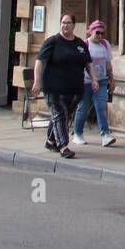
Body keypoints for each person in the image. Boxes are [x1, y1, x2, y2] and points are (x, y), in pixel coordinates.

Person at [32, 13, 97, 159]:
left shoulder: (80, 44)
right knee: (60, 114)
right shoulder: (53, 42)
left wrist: (94, 79)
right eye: (63, 22)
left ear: (74, 25)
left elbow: (88, 63)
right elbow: (40, 61)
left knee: (62, 116)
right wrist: (37, 81)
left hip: (74, 89)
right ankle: (63, 146)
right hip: (54, 88)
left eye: (68, 23)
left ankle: (50, 141)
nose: (65, 25)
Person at [72, 20, 116, 147]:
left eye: (103, 33)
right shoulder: (85, 44)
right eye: (98, 33)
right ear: (91, 31)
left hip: (101, 80)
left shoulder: (105, 44)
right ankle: (78, 134)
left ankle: (105, 135)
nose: (100, 36)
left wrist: (112, 79)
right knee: (83, 108)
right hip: (86, 81)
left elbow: (108, 64)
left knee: (101, 107)